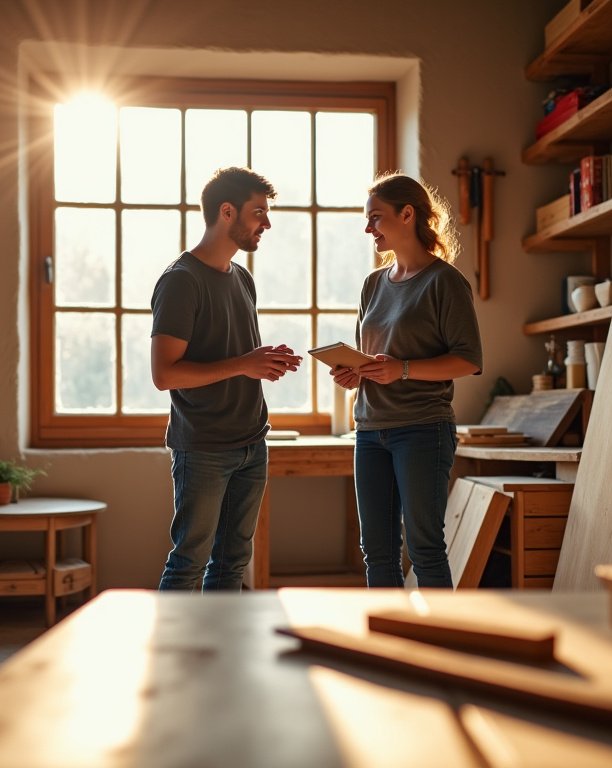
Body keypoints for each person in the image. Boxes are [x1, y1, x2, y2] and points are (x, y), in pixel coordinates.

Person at [151, 166, 302, 591]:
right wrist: (243, 364)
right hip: (203, 448)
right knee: (188, 563)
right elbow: (164, 375)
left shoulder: (242, 279)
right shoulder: (180, 281)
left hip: (252, 444)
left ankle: (221, 657)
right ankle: (173, 658)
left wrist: (263, 361)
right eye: (259, 212)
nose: (267, 223)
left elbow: (234, 356)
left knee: (232, 564)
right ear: (228, 212)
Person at [331, 172, 483, 588]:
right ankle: (389, 644)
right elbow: (373, 359)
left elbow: (468, 360)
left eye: (375, 218)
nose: (368, 228)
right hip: (370, 431)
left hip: (422, 430)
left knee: (425, 548)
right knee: (376, 552)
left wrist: (402, 369)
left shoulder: (445, 282)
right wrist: (354, 374)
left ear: (407, 214)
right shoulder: (372, 285)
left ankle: (438, 648)